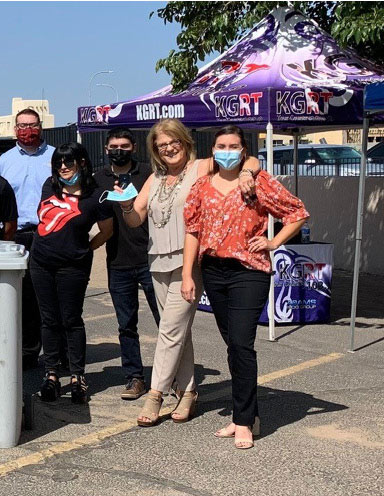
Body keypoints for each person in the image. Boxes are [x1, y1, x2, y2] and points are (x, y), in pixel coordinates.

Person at [119, 120, 257, 428]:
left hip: (189, 262)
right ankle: (189, 391)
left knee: (169, 329)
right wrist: (127, 206)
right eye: (161, 145)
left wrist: (247, 172)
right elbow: (136, 219)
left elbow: (248, 159)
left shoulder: (201, 168)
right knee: (178, 331)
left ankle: (156, 394)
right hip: (156, 261)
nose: (168, 148)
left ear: (184, 142)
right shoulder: (154, 179)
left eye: (173, 142)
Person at [182, 126, 308, 450]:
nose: (227, 150)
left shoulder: (257, 181)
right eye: (221, 145)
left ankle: (243, 422)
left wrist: (273, 241)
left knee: (241, 344)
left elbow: (296, 213)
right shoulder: (201, 187)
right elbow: (193, 231)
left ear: (244, 150)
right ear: (213, 149)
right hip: (213, 270)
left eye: (233, 145)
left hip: (249, 271)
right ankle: (248, 414)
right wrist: (187, 274)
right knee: (232, 345)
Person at [30, 144, 113, 404]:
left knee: (71, 320)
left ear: (83, 163)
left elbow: (107, 230)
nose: (64, 168)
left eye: (69, 162)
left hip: (73, 266)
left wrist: (87, 248)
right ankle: (52, 372)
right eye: (59, 163)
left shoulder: (97, 196)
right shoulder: (49, 186)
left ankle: (77, 375)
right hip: (41, 262)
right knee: (48, 320)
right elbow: (45, 219)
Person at [92, 128, 160, 400]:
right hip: (118, 261)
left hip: (152, 258)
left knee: (165, 322)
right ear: (106, 149)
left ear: (133, 147)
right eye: (113, 146)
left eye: (123, 145)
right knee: (126, 325)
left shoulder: (149, 173)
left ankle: (176, 375)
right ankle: (134, 377)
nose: (118, 149)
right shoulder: (98, 178)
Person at [0, 107, 54, 366]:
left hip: (49, 233)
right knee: (23, 296)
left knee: (51, 295)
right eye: (21, 125)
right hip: (16, 235)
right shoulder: (4, 161)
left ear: (40, 127)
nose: (27, 130)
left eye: (32, 125)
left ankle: (57, 352)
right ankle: (28, 351)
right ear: (14, 129)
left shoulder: (55, 157)